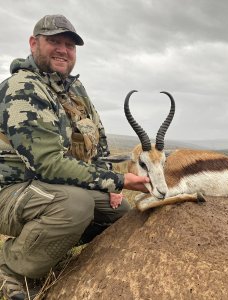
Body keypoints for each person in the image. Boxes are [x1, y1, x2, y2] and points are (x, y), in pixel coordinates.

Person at [0, 14, 149, 299]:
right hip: (11, 192)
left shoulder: (74, 89)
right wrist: (116, 180)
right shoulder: (23, 89)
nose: (63, 50)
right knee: (75, 206)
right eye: (54, 41)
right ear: (34, 44)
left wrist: (109, 184)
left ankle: (40, 248)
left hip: (51, 190)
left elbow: (99, 140)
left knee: (118, 215)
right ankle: (13, 267)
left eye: (69, 45)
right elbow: (48, 164)